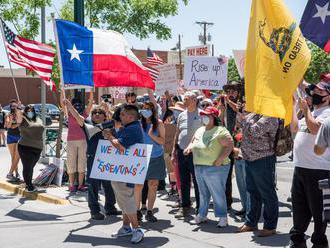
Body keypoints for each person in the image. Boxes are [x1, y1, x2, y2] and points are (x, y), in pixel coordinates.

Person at [63, 99, 121, 220]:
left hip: (107, 160)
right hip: (93, 159)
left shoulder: (110, 125)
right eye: (94, 113)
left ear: (105, 116)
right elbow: (78, 117)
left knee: (109, 185)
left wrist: (108, 109)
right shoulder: (88, 125)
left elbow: (118, 121)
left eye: (100, 113)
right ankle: (94, 210)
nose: (97, 115)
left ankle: (110, 207)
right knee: (93, 186)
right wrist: (69, 106)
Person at [289, 81, 330, 248]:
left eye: (319, 92)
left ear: (327, 97)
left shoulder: (327, 114)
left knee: (318, 210)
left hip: (319, 170)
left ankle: (319, 242)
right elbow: (294, 127)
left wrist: (305, 110)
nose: (313, 94)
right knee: (299, 207)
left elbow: (315, 130)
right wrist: (293, 107)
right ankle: (297, 239)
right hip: (300, 167)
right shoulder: (312, 112)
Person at [103, 104, 145, 244]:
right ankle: (126, 227)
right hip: (123, 170)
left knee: (126, 200)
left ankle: (137, 229)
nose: (119, 116)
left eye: (122, 114)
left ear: (131, 117)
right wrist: (112, 134)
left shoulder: (132, 129)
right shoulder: (129, 128)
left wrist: (109, 137)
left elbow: (120, 147)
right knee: (124, 199)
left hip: (125, 172)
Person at [185, 106, 233, 227]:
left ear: (214, 117)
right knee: (202, 192)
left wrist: (220, 159)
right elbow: (193, 140)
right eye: (203, 115)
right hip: (199, 165)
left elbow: (230, 145)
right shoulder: (200, 130)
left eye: (207, 115)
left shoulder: (220, 130)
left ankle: (222, 217)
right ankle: (202, 214)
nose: (204, 117)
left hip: (215, 167)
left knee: (217, 192)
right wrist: (189, 148)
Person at [237, 112, 279, 237]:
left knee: (267, 193)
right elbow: (243, 127)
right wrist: (244, 120)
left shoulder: (270, 115)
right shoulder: (255, 114)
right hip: (250, 157)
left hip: (263, 158)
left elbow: (255, 131)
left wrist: (244, 120)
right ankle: (251, 222)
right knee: (252, 192)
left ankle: (270, 226)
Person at [135, 102, 166, 223]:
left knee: (153, 185)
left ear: (153, 111)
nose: (145, 110)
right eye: (143, 108)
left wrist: (152, 135)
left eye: (148, 109)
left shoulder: (158, 123)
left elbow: (163, 141)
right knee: (138, 186)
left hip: (155, 157)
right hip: (140, 157)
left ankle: (149, 211)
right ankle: (137, 211)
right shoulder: (137, 124)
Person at [172, 91, 201, 218]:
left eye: (187, 99)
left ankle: (200, 208)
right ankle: (185, 206)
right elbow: (177, 133)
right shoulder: (181, 115)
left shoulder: (202, 114)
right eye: (184, 99)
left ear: (194, 100)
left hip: (196, 152)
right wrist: (174, 150)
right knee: (183, 180)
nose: (184, 101)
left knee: (197, 180)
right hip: (181, 151)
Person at [65, 95, 93, 193]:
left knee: (82, 162)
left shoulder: (84, 114)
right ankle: (72, 185)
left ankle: (81, 185)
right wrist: (62, 92)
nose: (77, 106)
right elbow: (62, 102)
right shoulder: (68, 113)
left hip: (83, 140)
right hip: (71, 141)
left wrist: (91, 93)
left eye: (79, 104)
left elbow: (90, 105)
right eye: (74, 104)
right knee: (71, 162)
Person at [16, 105, 44, 192]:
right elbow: (18, 116)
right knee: (28, 167)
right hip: (25, 147)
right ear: (25, 111)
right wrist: (18, 109)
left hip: (38, 147)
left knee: (31, 167)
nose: (30, 112)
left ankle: (28, 182)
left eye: (32, 110)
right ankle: (29, 185)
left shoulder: (38, 119)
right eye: (28, 110)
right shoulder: (23, 119)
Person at [4, 99, 21, 182]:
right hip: (11, 136)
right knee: (13, 156)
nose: (13, 107)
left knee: (17, 156)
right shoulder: (8, 114)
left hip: (19, 136)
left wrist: (15, 124)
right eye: (11, 106)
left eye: (14, 105)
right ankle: (16, 173)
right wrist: (10, 121)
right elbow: (7, 126)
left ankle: (12, 173)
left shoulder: (19, 113)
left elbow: (20, 122)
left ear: (17, 106)